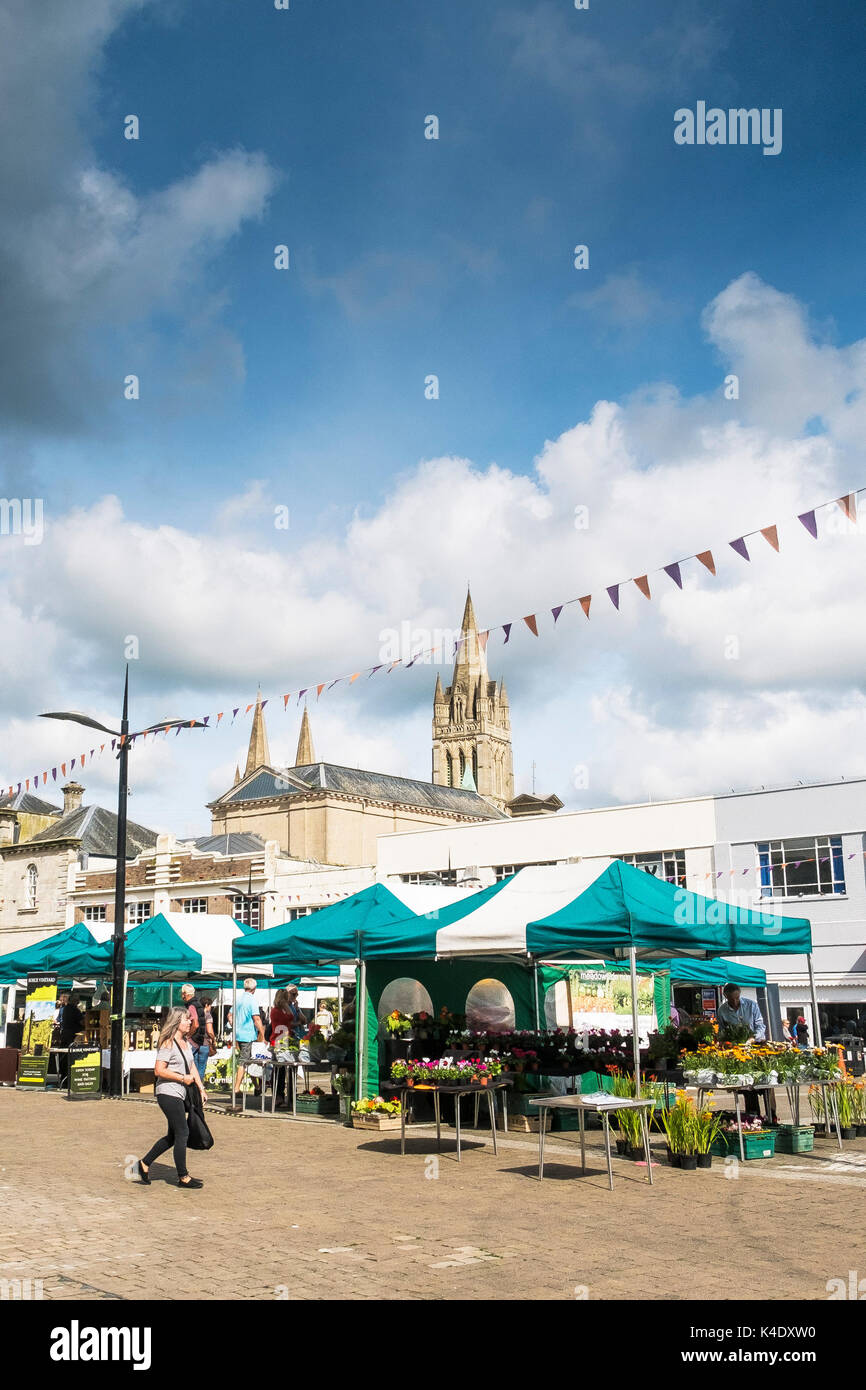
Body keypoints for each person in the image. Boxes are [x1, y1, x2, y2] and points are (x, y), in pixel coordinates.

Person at [137, 1006, 206, 1189]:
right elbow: (159, 1070)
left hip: (180, 1093)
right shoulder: (168, 1043)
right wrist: (182, 1078)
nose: (190, 1021)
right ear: (177, 1022)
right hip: (167, 1093)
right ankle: (183, 1177)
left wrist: (200, 1087)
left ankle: (144, 1164)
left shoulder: (186, 1042)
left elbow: (191, 1067)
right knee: (183, 1132)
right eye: (186, 1019)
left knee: (173, 1135)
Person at [717, 983, 767, 1118]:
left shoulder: (751, 1005)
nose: (734, 1001)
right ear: (725, 996)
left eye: (737, 998)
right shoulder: (722, 1010)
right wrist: (724, 1043)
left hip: (755, 1046)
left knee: (765, 1084)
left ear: (739, 994)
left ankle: (771, 1114)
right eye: (731, 999)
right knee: (745, 1084)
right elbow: (722, 1031)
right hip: (737, 1051)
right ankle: (753, 1115)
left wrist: (753, 1038)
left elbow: (760, 1025)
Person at [229, 979, 264, 1107]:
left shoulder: (237, 998)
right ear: (254, 988)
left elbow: (229, 1015)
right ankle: (237, 1088)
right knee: (244, 1061)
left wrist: (234, 1025)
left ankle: (257, 1086)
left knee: (247, 1060)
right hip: (248, 1035)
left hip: (238, 1035)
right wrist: (263, 1034)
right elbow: (257, 1018)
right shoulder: (252, 1000)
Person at [181, 983, 214, 1085]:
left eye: (182, 994)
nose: (182, 996)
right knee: (201, 1069)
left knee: (191, 1067)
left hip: (194, 1041)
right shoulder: (198, 1004)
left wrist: (188, 1035)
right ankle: (200, 1089)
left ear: (185, 994)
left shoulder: (191, 1006)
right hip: (202, 1041)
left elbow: (195, 1024)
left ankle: (196, 1091)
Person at [57, 991, 84, 1085]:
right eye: (77, 999)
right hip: (72, 1037)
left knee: (65, 1059)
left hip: (65, 1035)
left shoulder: (65, 1009)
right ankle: (69, 1079)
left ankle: (64, 1078)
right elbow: (82, 1022)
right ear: (74, 1000)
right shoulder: (74, 1010)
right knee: (70, 1058)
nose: (78, 1001)